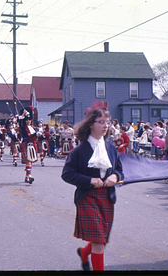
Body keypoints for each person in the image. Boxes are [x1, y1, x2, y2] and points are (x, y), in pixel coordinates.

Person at [61, 107, 124, 271]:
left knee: (101, 239)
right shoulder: (79, 151)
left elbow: (119, 170)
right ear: (90, 124)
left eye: (107, 123)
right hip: (87, 197)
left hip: (107, 196)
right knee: (99, 241)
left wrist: (114, 177)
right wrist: (90, 180)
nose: (105, 126)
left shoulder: (111, 148)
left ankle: (83, 253)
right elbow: (67, 174)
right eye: (101, 122)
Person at [18, 107, 37, 184]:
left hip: (32, 146)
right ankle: (29, 176)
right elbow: (20, 122)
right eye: (27, 120)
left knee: (30, 162)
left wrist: (38, 134)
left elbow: (34, 137)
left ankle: (26, 177)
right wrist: (23, 114)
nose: (28, 121)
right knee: (28, 161)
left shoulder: (33, 128)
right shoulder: (23, 127)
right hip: (26, 145)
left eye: (29, 120)